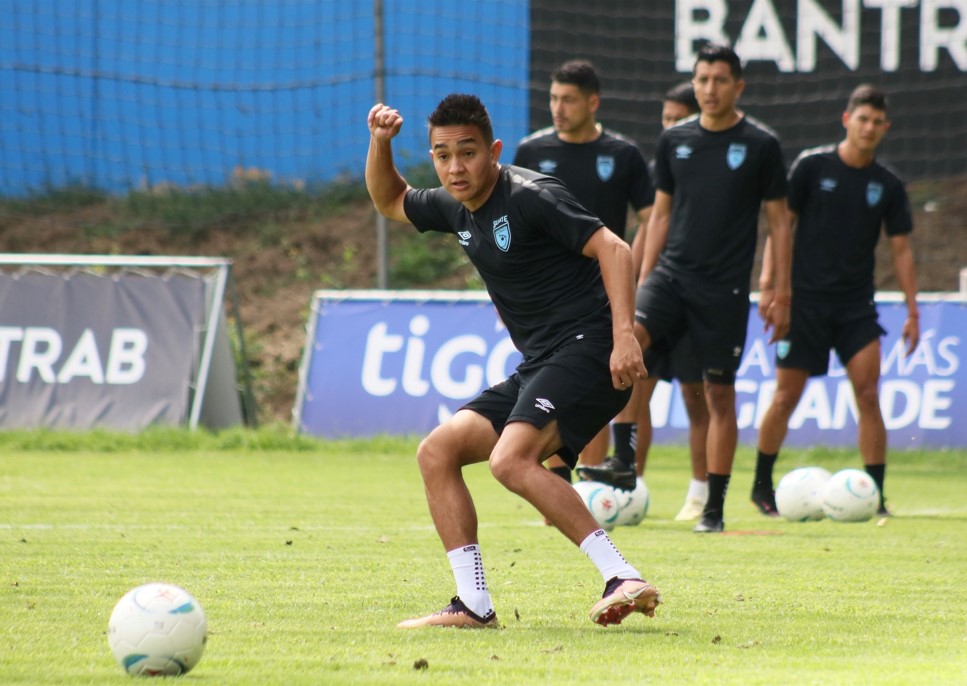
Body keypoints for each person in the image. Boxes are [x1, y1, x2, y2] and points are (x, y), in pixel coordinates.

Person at [365, 93, 661, 628]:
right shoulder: (454, 206)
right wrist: (380, 144)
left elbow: (615, 248)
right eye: (442, 154)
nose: (456, 167)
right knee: (438, 452)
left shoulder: (531, 193)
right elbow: (390, 201)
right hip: (542, 361)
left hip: (590, 349)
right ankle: (473, 604)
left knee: (509, 461)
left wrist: (624, 336)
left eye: (468, 153)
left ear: (494, 150)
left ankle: (622, 576)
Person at [631, 44, 793, 534]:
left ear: (737, 87)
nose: (709, 89)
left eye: (719, 80)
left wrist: (779, 290)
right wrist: (643, 281)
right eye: (702, 79)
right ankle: (619, 458)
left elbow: (780, 224)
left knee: (718, 396)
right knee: (625, 341)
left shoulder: (762, 144)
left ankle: (714, 509)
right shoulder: (675, 140)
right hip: (669, 278)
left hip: (722, 291)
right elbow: (659, 214)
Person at [751, 84, 919, 517]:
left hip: (855, 307)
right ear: (847, 120)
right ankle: (760, 484)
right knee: (785, 397)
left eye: (878, 122)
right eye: (862, 119)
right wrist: (770, 284)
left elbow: (901, 250)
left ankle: (877, 496)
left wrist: (913, 310)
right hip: (802, 302)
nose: (869, 127)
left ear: (886, 128)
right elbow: (781, 225)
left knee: (868, 393)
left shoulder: (888, 184)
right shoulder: (812, 166)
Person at [512, 59, 654, 490]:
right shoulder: (532, 152)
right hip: (546, 298)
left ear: (593, 102)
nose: (558, 108)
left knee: (598, 388)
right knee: (549, 387)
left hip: (601, 293)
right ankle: (563, 487)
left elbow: (651, 217)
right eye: (553, 98)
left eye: (568, 99)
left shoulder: (622, 154)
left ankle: (595, 489)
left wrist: (635, 272)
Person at [579, 81, 712, 522]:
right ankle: (627, 479)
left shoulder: (710, 162)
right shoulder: (662, 166)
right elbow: (649, 221)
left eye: (679, 119)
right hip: (660, 287)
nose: (670, 126)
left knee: (698, 398)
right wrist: (637, 275)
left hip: (702, 291)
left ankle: (701, 490)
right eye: (666, 118)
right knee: (634, 382)